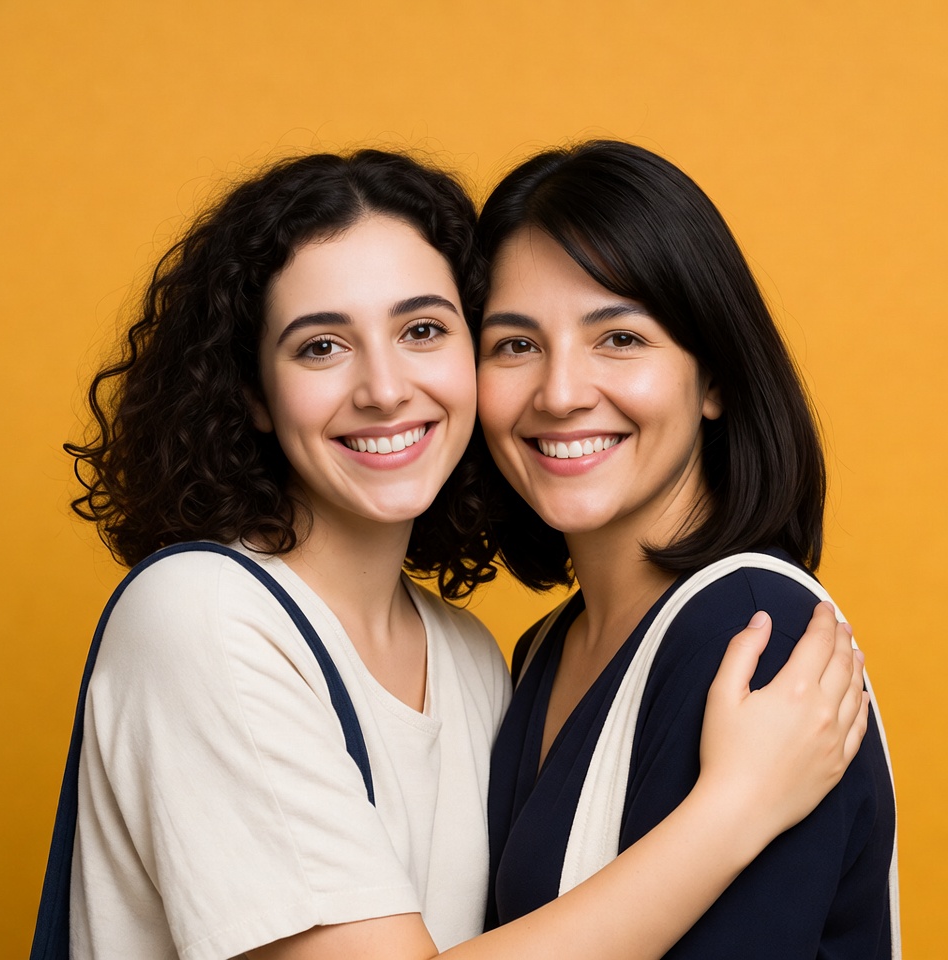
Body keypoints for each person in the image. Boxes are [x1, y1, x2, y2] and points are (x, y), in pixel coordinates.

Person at [44, 149, 868, 960]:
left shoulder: (479, 663)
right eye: (321, 346)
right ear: (253, 393)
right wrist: (734, 808)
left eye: (423, 330)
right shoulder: (203, 617)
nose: (385, 388)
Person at [475, 140, 898, 958]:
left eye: (621, 339)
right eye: (515, 345)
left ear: (715, 380)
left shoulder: (752, 635)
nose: (560, 393)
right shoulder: (544, 653)